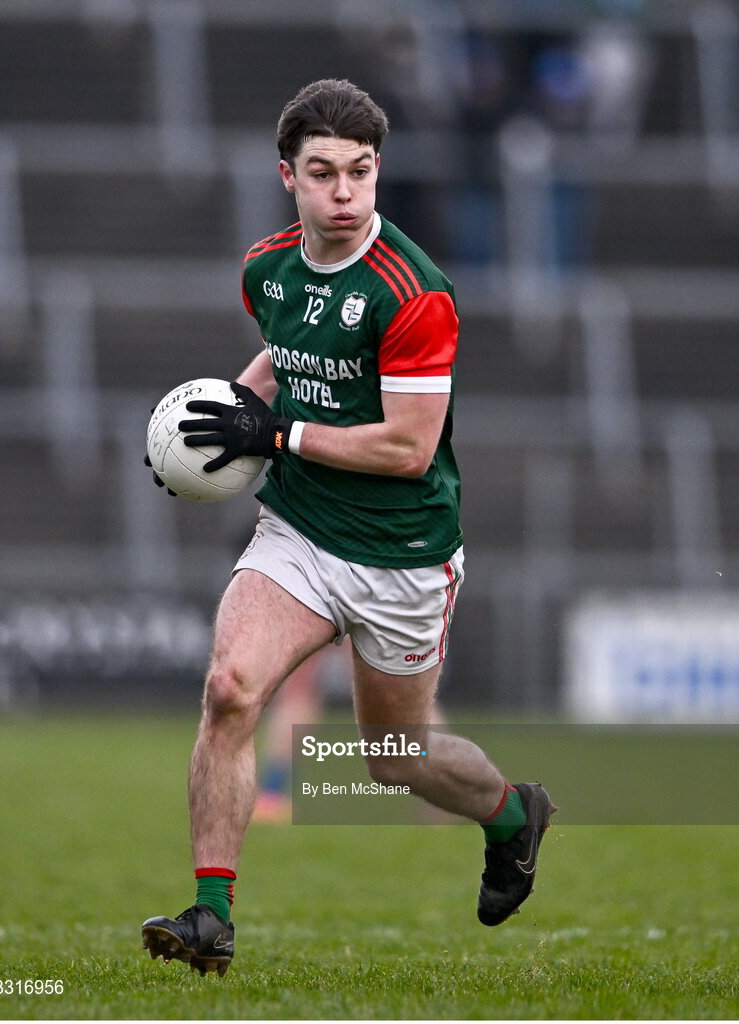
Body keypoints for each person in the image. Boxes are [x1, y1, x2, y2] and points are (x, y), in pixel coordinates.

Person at [141, 79, 555, 978]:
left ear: (378, 173)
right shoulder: (266, 268)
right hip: (297, 528)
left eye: (361, 173)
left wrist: (278, 430)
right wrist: (214, 422)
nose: (344, 193)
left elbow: (408, 448)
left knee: (392, 762)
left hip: (403, 554)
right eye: (322, 172)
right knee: (229, 690)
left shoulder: (414, 293)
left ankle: (513, 816)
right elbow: (287, 353)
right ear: (285, 175)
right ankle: (211, 916)